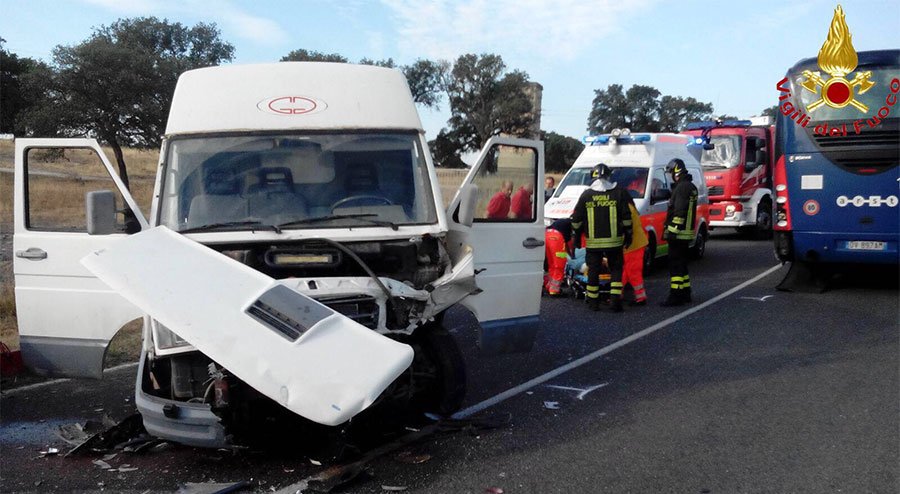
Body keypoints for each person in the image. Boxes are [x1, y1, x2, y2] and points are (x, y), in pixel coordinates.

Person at [571, 163, 633, 312]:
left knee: (593, 270)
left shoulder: (586, 195)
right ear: (609, 176)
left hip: (594, 244)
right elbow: (627, 217)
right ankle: (615, 302)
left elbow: (576, 219)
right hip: (614, 242)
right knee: (616, 270)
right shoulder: (619, 193)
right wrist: (629, 234)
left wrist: (576, 237)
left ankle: (593, 302)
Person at [661, 158, 699, 307]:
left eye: (671, 172)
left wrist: (672, 231)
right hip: (686, 233)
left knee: (675, 265)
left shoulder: (682, 188)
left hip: (679, 234)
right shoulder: (689, 186)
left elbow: (680, 212)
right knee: (682, 264)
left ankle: (676, 296)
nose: (671, 175)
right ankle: (685, 292)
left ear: (676, 171)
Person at [621, 201, 649, 305]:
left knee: (633, 271)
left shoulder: (624, 207)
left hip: (633, 245)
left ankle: (640, 297)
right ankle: (617, 295)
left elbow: (625, 227)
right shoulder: (627, 205)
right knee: (625, 271)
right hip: (633, 243)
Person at [544, 217, 573, 296]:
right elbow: (568, 243)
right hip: (556, 237)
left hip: (547, 234)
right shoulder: (571, 225)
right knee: (559, 265)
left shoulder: (563, 222)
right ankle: (554, 290)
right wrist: (571, 254)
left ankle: (549, 286)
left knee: (552, 264)